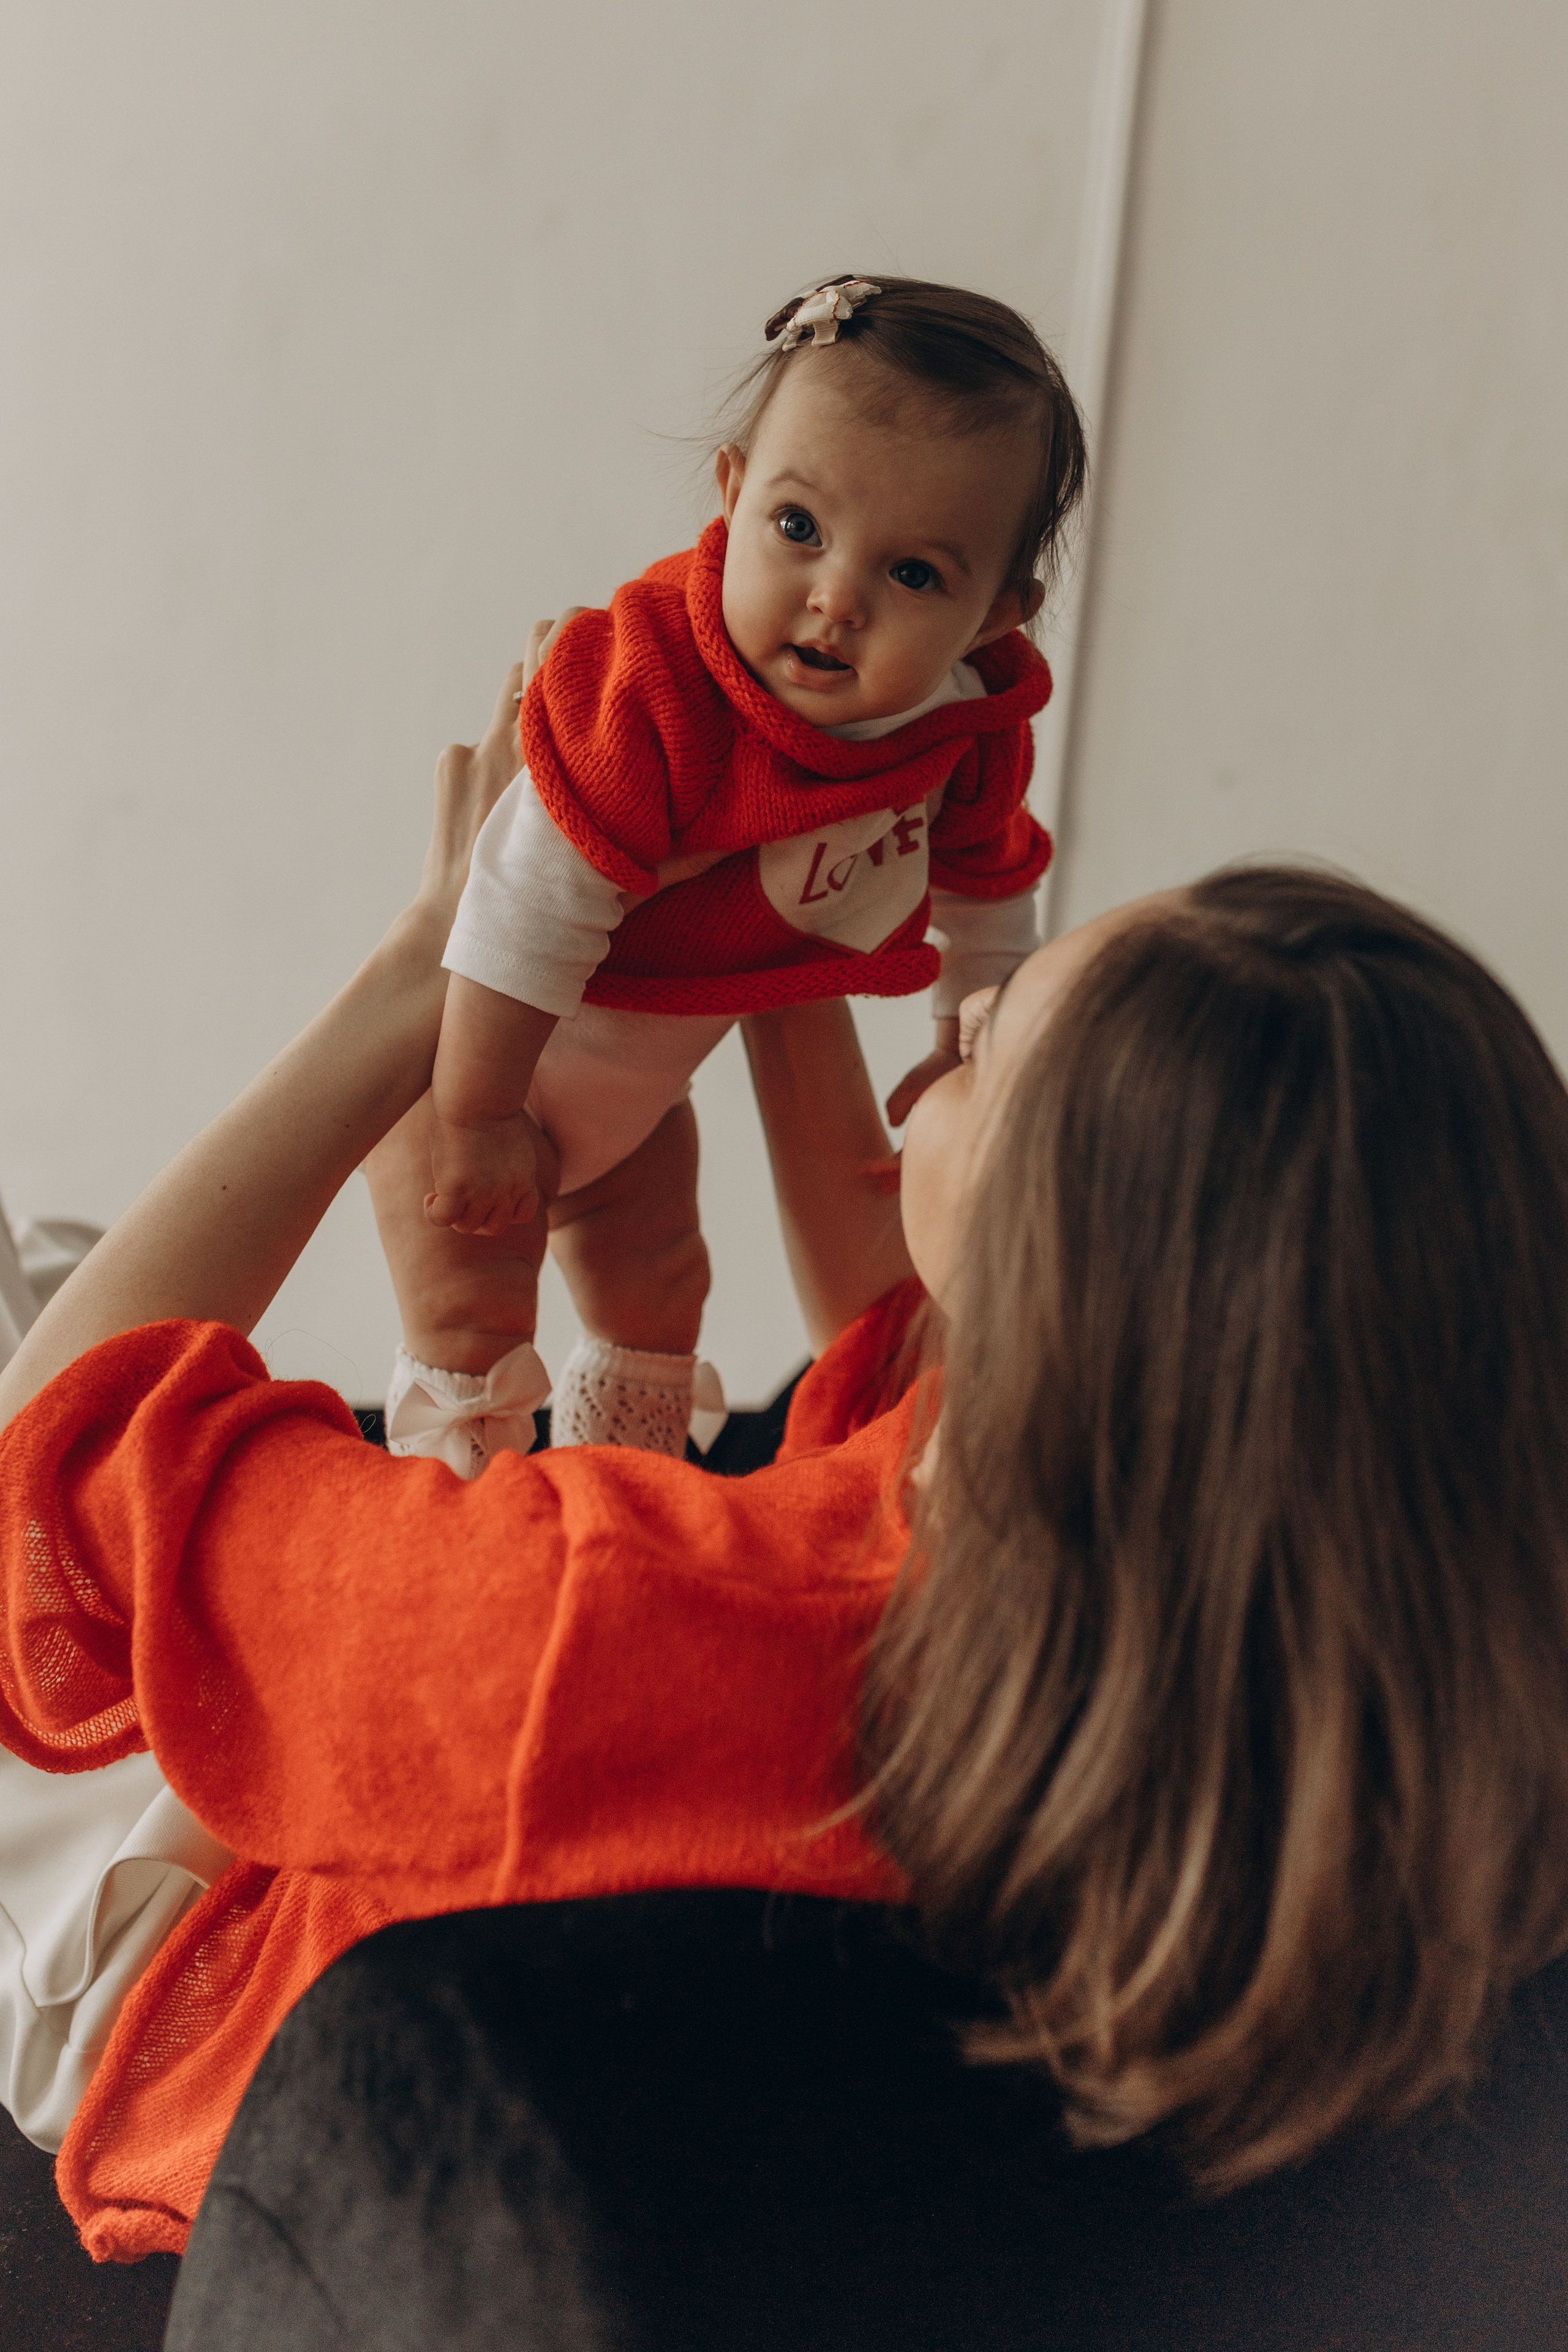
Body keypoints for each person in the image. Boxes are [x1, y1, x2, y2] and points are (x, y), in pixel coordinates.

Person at [2, 662, 1567, 2283]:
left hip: (179, 1976)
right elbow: (891, 1290)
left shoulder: (608, 1622)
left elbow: (55, 1453)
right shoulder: (1237, 1651)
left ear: (1053, 1272)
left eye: (979, 1046)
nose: (929, 1056)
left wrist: (424, 969)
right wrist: (765, 904)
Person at [402, 274, 1085, 1463]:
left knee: (662, 1285)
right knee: (474, 1316)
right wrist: (480, 1114)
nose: (835, 599)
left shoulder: (965, 723)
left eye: (913, 575)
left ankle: (626, 1479)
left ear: (993, 615)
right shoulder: (652, 682)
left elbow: (989, 891)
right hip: (478, 1055)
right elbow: (523, 901)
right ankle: (463, 1502)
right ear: (731, 494)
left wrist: (962, 1042)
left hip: (640, 1093)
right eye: (798, 528)